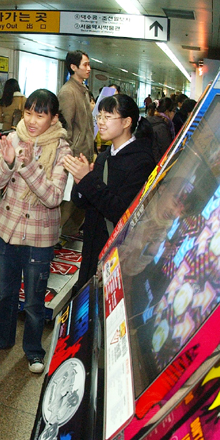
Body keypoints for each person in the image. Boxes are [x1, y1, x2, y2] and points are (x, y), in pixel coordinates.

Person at [0, 89, 71, 373]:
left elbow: (53, 197)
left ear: (53, 118)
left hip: (39, 236)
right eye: (28, 112)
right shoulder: (14, 138)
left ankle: (33, 350)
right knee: (6, 292)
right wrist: (6, 163)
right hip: (9, 231)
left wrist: (28, 166)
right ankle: (1, 337)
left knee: (33, 299)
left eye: (40, 115)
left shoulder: (62, 150)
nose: (31, 120)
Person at [63, 94, 156, 295]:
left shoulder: (142, 162)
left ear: (127, 122)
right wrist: (80, 181)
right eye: (99, 117)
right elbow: (82, 203)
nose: (101, 123)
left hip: (119, 253)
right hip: (92, 248)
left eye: (107, 117)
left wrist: (88, 180)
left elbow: (121, 212)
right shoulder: (104, 158)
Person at [58, 50, 94, 238]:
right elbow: (66, 127)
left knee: (80, 197)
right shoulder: (68, 92)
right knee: (68, 198)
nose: (89, 68)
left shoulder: (83, 90)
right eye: (85, 64)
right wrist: (68, 155)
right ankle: (55, 234)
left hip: (85, 153)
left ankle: (71, 230)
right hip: (74, 155)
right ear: (73, 67)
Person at [148, 96, 176, 162]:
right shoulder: (161, 127)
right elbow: (165, 151)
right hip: (157, 164)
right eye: (174, 111)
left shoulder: (152, 120)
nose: (174, 114)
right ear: (167, 112)